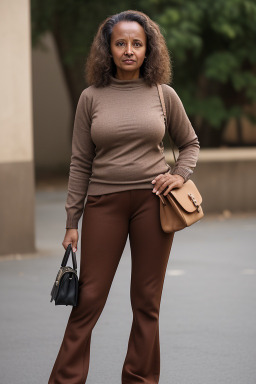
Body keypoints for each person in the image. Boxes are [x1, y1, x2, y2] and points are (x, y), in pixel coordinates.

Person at [48, 9, 200, 384]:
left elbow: (190, 143)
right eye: (121, 43)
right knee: (88, 300)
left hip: (154, 204)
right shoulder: (91, 98)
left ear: (148, 50)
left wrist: (177, 175)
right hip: (104, 205)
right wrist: (72, 222)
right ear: (108, 49)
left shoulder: (163, 95)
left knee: (146, 304)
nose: (129, 50)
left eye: (137, 43)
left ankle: (140, 379)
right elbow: (80, 162)